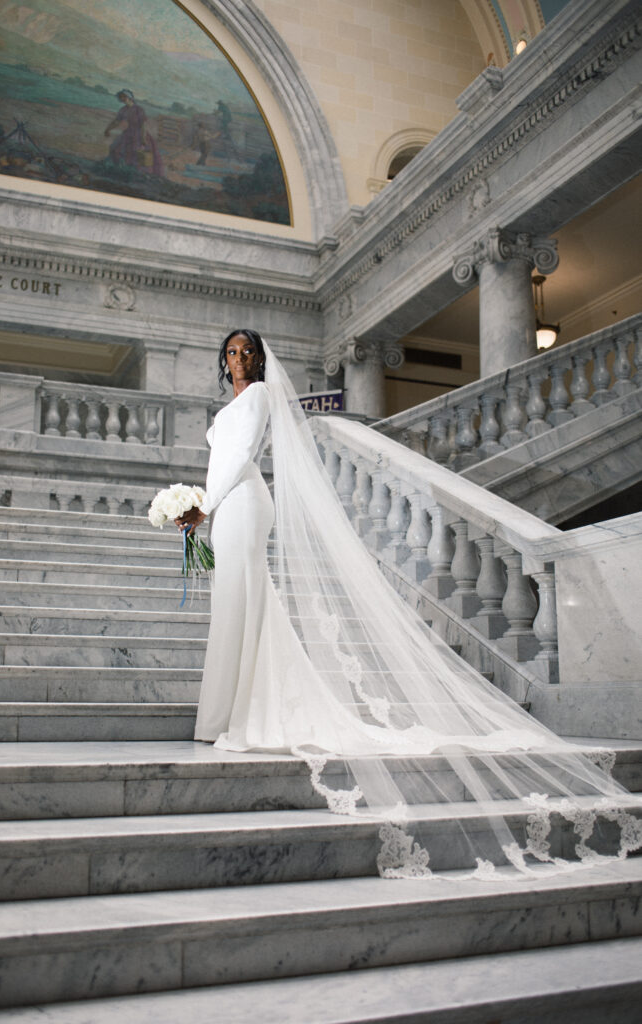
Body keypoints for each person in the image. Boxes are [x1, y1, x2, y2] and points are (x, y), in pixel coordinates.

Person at [176, 329, 642, 879]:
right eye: (231, 352)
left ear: (259, 360)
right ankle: (229, 707)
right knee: (235, 603)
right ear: (221, 360)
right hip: (225, 509)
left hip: (242, 503)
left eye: (247, 351)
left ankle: (238, 711)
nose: (239, 359)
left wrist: (202, 506)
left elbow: (239, 460)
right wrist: (202, 509)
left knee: (246, 601)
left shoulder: (257, 398)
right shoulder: (229, 402)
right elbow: (221, 460)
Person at [104, 89, 164, 176]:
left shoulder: (138, 110)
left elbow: (143, 125)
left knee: (139, 154)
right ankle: (122, 171)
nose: (122, 98)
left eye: (124, 96)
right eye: (121, 97)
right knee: (115, 148)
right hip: (128, 133)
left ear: (130, 97)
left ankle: (142, 175)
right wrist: (108, 129)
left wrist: (143, 139)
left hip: (140, 134)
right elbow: (116, 121)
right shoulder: (123, 110)